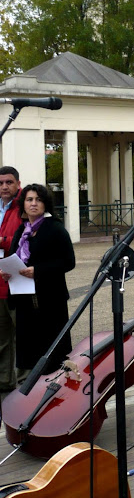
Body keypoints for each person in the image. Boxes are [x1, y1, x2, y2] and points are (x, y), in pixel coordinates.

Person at [2, 184, 75, 376]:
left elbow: (69, 262)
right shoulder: (21, 231)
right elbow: (14, 259)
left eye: (38, 200)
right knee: (31, 356)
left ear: (46, 204)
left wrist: (38, 270)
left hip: (49, 302)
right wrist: (7, 273)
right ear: (23, 204)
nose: (34, 204)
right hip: (25, 300)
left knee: (51, 355)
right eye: (29, 200)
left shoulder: (56, 229)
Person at [0, 166, 23, 394]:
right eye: (0, 183)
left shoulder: (24, 205)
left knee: (23, 335)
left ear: (17, 183)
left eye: (9, 182)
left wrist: (3, 240)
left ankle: (26, 382)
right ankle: (4, 381)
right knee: (2, 337)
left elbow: (24, 238)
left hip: (17, 280)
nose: (4, 187)